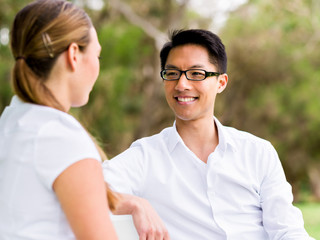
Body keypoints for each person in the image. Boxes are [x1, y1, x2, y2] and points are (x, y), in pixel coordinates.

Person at [103, 29, 315, 239]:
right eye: (172, 74)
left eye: (197, 74)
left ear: (221, 83)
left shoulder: (258, 152)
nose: (182, 84)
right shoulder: (145, 157)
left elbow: (287, 230)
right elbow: (85, 189)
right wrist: (135, 204)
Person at [0, 0, 119, 239]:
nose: (97, 65)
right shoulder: (61, 137)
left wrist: (132, 203)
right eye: (98, 55)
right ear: (74, 54)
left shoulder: (11, 120)